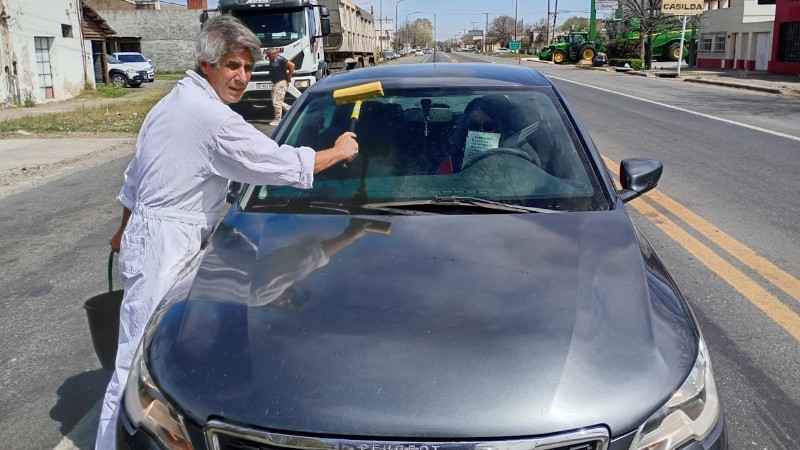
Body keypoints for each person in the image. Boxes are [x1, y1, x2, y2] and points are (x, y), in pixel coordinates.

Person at [95, 14, 358, 449]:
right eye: (231, 66)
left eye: (247, 68)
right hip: (166, 240)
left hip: (152, 233)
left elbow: (132, 181)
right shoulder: (210, 118)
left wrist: (122, 233)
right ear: (206, 65)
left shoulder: (171, 103)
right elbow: (279, 164)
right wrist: (340, 150)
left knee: (151, 349)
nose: (240, 77)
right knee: (137, 360)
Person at [265, 47, 294, 126]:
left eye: (269, 55)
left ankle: (278, 119)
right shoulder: (272, 60)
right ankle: (291, 110)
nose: (268, 56)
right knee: (277, 100)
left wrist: (289, 76)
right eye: (268, 55)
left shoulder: (280, 59)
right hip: (275, 82)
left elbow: (292, 65)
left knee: (276, 101)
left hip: (281, 82)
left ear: (274, 53)